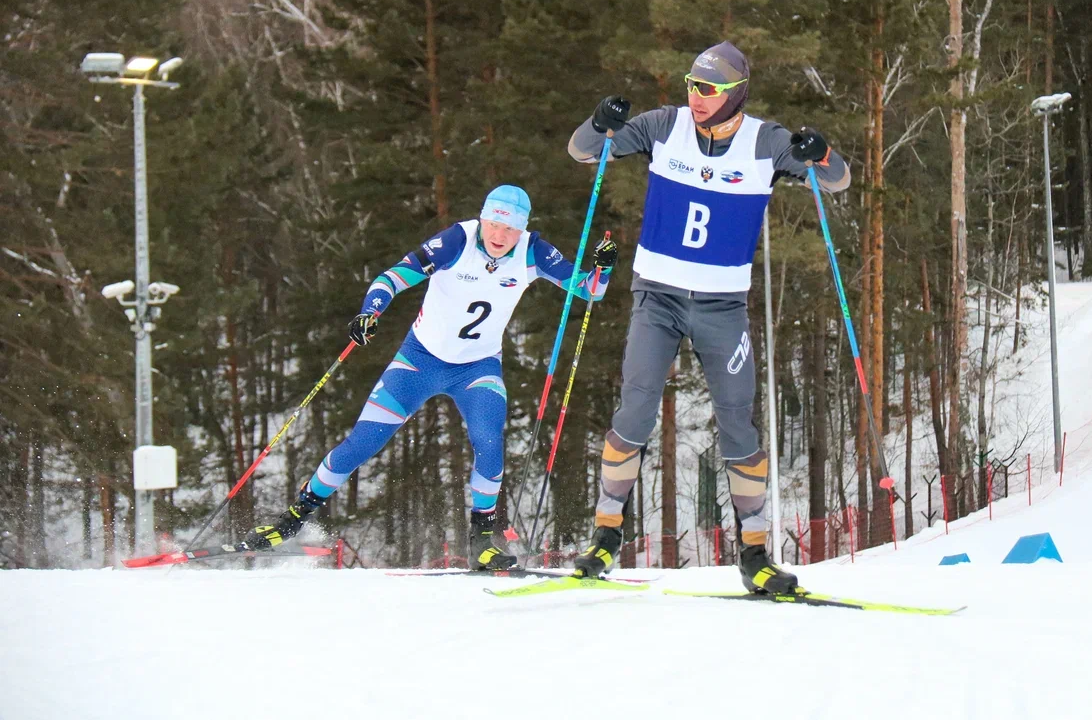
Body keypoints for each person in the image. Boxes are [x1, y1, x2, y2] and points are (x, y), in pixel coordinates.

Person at [567, 42, 850, 593]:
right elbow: (583, 151)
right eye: (693, 87)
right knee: (636, 408)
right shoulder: (661, 125)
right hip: (659, 298)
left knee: (738, 422)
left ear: (736, 93)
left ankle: (754, 553)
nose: (697, 99)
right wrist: (598, 122)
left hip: (722, 307)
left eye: (710, 90)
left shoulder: (766, 142)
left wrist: (819, 152)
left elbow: (836, 179)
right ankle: (605, 535)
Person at [244, 185, 617, 571]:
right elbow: (393, 277)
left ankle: (482, 538)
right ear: (484, 218)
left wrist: (602, 268)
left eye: (510, 230)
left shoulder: (533, 251)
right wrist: (370, 312)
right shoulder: (457, 239)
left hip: (478, 367)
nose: (500, 237)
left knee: (489, 441)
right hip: (419, 360)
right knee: (363, 442)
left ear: (522, 230)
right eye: (494, 225)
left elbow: (589, 291)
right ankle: (292, 519)